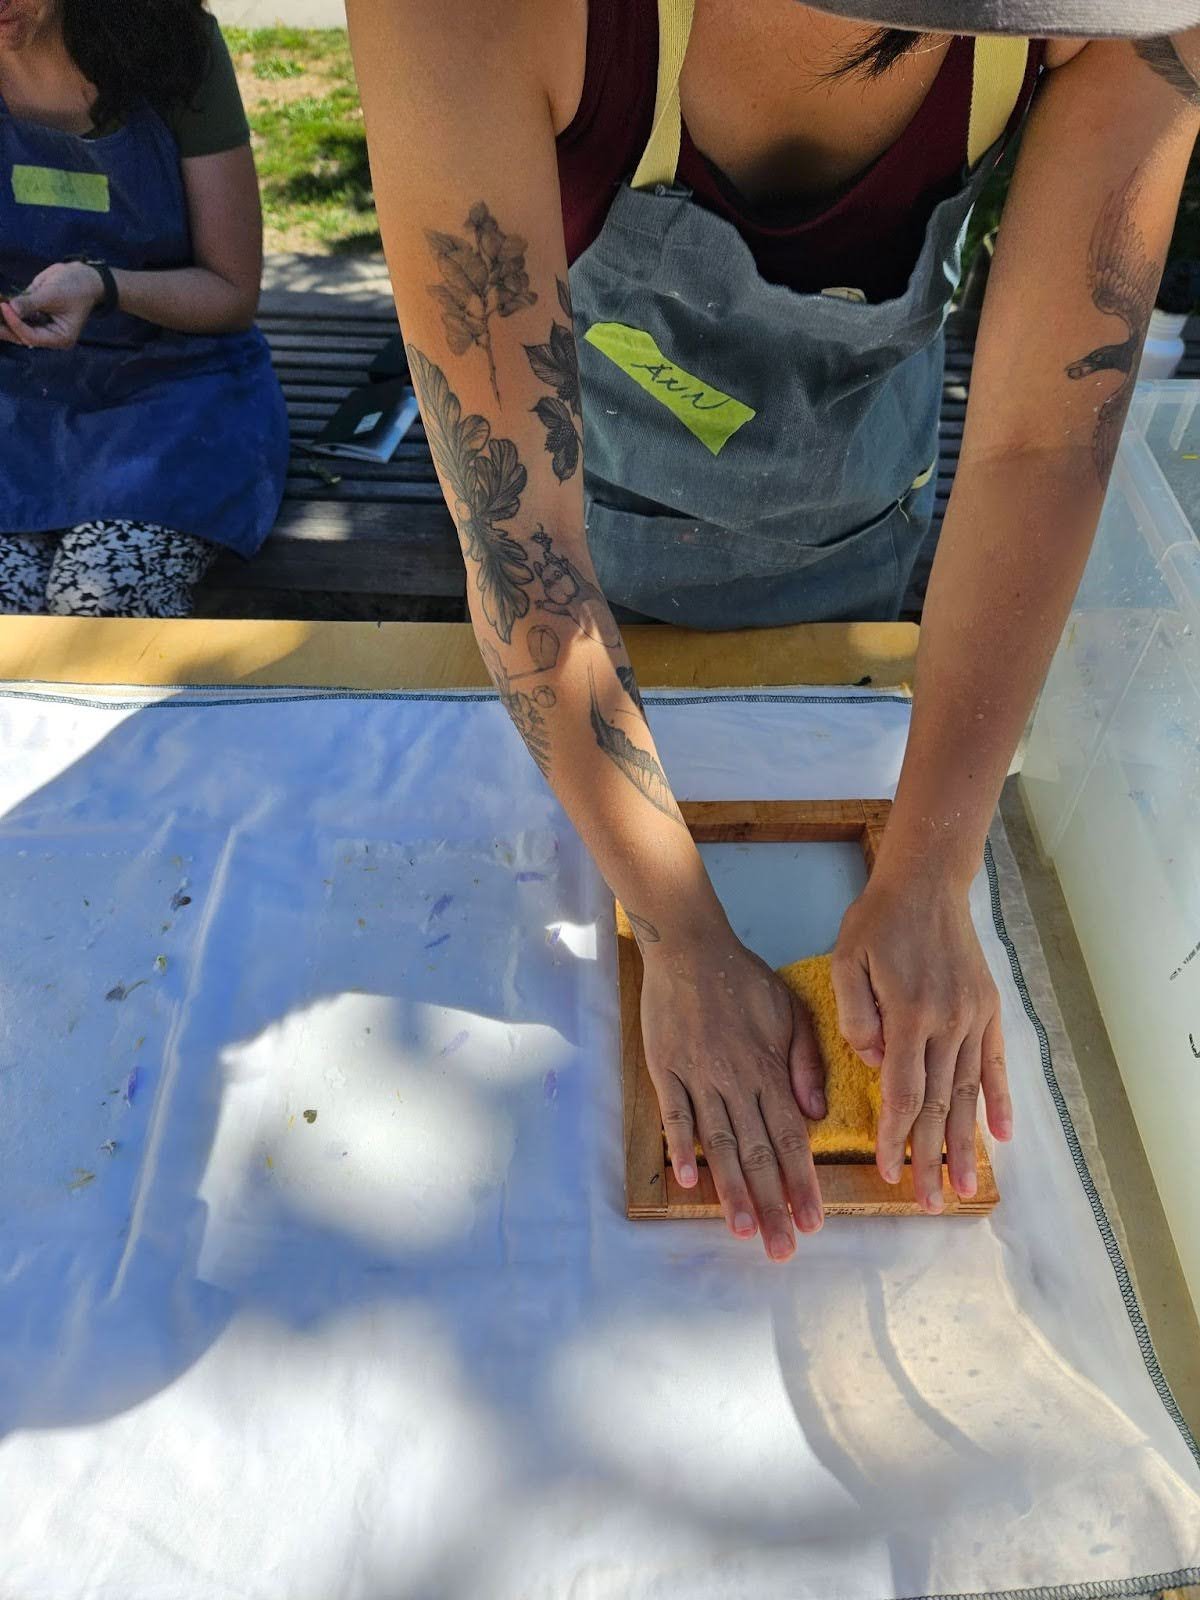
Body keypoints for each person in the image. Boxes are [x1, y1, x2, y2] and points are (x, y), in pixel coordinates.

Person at [346, 0, 1200, 1259]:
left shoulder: (1131, 26)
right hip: (597, 552)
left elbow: (1035, 448)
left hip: (865, 552)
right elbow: (524, 545)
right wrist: (677, 933)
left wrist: (929, 871)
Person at [0, 0, 288, 618]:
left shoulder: (175, 45)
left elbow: (232, 292)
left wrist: (103, 285)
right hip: (17, 396)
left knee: (100, 599)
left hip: (177, 393)